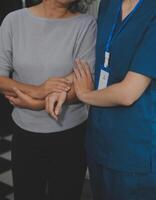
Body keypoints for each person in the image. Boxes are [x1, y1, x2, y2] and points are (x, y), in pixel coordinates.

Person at [48, 0, 156, 199]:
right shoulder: (109, 4)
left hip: (133, 148)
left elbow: (128, 93)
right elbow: (99, 64)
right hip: (99, 141)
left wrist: (84, 95)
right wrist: (64, 85)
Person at [0, 0, 96, 199]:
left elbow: (84, 85)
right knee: (27, 194)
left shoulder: (87, 24)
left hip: (71, 135)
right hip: (25, 134)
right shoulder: (14, 21)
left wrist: (38, 104)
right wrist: (37, 90)